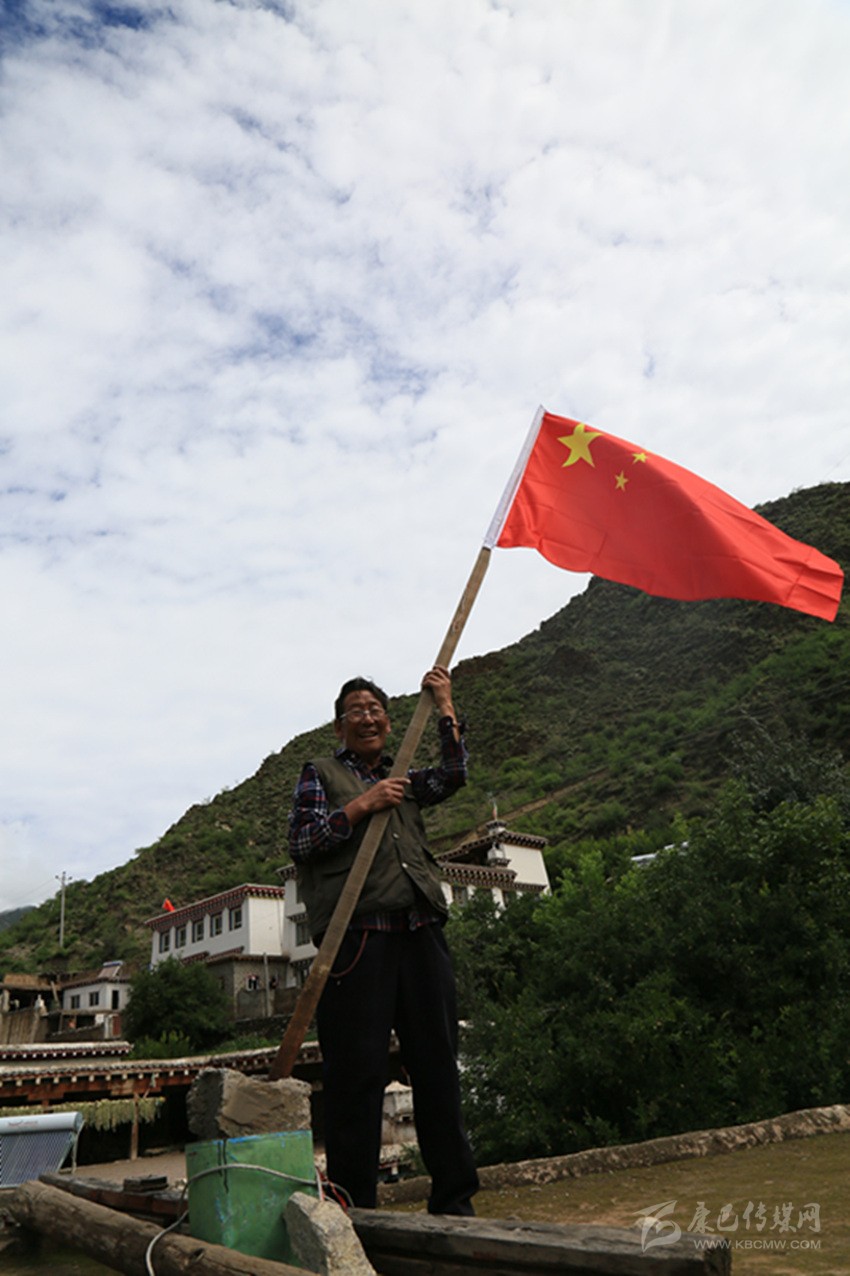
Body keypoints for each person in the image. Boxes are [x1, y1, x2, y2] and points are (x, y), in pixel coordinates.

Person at [288, 665, 479, 1215]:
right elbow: (303, 841)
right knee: (356, 1074)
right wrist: (361, 806)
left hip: (419, 931)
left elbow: (454, 774)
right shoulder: (320, 773)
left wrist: (444, 705)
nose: (367, 717)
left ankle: (454, 1203)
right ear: (339, 726)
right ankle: (357, 1209)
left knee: (437, 1064)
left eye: (375, 710)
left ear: (389, 723)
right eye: (356, 711)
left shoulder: (405, 778)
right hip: (357, 939)